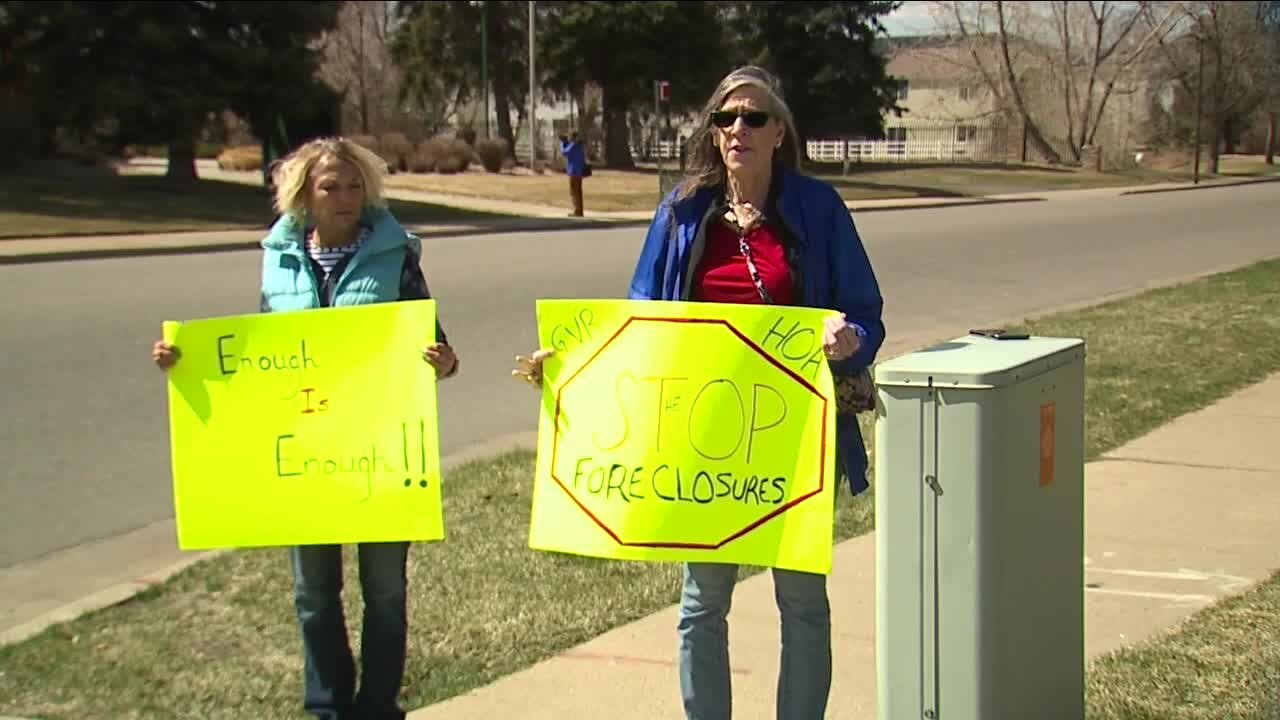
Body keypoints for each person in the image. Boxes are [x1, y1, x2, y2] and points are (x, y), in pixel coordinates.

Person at [514, 66, 884, 720]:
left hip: (791, 435)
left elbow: (863, 309)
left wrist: (848, 335)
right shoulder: (682, 210)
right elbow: (639, 318)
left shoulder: (818, 208)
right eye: (726, 118)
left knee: (801, 603)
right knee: (701, 603)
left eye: (754, 118)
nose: (738, 128)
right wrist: (570, 363)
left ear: (780, 134)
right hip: (701, 445)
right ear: (713, 133)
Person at [152, 136, 459, 720]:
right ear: (303, 195)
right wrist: (183, 361)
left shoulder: (396, 255)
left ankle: (377, 706)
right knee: (313, 594)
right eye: (329, 187)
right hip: (303, 457)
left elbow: (434, 341)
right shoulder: (279, 257)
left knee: (385, 593)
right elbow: (256, 357)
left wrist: (442, 360)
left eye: (353, 185)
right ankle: (327, 705)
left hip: (379, 452)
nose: (344, 197)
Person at [558, 130, 587, 216]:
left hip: (574, 171)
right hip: (579, 171)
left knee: (574, 192)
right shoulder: (579, 145)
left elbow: (564, 152)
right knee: (578, 192)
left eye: (569, 137)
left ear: (572, 137)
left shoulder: (574, 145)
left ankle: (577, 211)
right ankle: (579, 210)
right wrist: (566, 143)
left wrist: (562, 143)